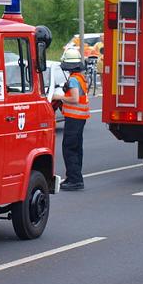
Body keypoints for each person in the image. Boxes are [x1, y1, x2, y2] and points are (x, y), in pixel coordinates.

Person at [59, 48, 90, 190]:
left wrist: (58, 97)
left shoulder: (73, 79)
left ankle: (75, 180)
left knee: (69, 148)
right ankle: (74, 177)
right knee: (77, 148)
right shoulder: (80, 77)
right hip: (80, 118)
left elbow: (74, 98)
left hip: (74, 118)